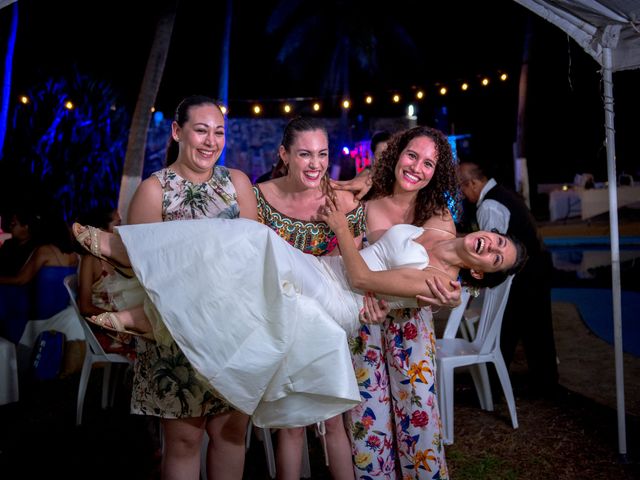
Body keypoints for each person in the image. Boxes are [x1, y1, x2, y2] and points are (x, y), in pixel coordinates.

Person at [70, 207, 526, 429]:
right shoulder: (439, 220)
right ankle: (133, 274)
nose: (492, 246)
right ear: (488, 231)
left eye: (497, 259)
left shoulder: (440, 284)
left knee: (253, 242)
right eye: (498, 240)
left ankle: (139, 289)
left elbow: (363, 275)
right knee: (242, 259)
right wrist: (382, 293)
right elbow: (377, 245)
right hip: (322, 269)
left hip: (338, 300)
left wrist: (344, 236)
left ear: (480, 272)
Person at [124, 94, 258, 480]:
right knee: (184, 442)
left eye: (218, 132)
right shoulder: (154, 191)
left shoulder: (237, 184)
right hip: (175, 337)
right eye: (201, 130)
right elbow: (141, 273)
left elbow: (257, 255)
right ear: (177, 131)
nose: (210, 141)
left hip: (233, 332)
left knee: (231, 434)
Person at [333, 125, 461, 479]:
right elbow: (350, 259)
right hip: (364, 319)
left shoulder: (436, 214)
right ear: (396, 154)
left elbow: (440, 273)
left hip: (411, 326)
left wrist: (446, 293)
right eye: (412, 155)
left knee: (419, 419)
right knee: (367, 421)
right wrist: (369, 294)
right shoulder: (364, 199)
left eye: (429, 164)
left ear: (437, 173)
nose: (417, 168)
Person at [253, 116, 366, 480]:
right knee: (291, 425)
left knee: (334, 421)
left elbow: (354, 269)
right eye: (304, 154)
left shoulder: (344, 203)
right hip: (279, 322)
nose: (315, 163)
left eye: (322, 154)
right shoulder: (258, 199)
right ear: (284, 154)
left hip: (328, 324)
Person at [457, 160, 558, 393]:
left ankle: (496, 383)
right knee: (532, 327)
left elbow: (488, 249)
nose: (462, 193)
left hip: (525, 272)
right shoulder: (501, 194)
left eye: (462, 187)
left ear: (473, 183)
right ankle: (540, 380)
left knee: (514, 325)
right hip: (535, 267)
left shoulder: (490, 205)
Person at [0, 209, 79, 343]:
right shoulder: (73, 255)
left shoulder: (44, 251)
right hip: (60, 308)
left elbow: (20, 280)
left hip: (40, 312)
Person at [75, 205, 143, 357]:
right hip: (108, 329)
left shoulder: (121, 255)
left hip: (123, 324)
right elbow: (85, 307)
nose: (121, 229)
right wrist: (119, 319)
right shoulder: (90, 259)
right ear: (101, 231)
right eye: (117, 224)